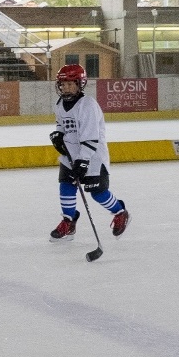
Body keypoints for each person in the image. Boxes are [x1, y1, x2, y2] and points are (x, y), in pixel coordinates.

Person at [49, 64, 130, 242]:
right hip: (70, 155)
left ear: (80, 84)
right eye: (63, 84)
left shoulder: (88, 105)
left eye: (70, 84)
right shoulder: (60, 104)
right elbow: (61, 124)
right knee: (66, 185)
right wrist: (58, 135)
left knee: (98, 192)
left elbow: (91, 137)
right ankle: (68, 221)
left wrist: (83, 160)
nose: (66, 88)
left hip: (93, 157)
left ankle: (120, 212)